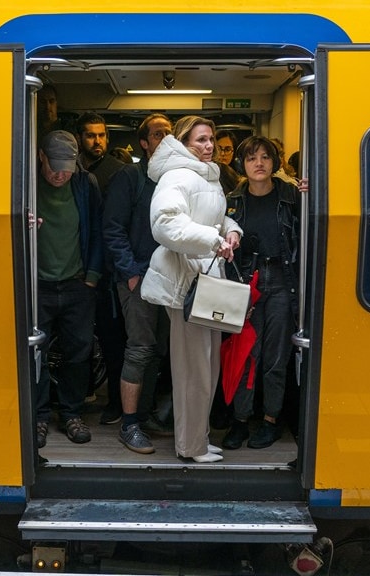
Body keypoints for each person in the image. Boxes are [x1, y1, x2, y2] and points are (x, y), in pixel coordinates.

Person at [142, 115, 242, 463]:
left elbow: (212, 217)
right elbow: (165, 224)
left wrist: (231, 230)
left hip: (204, 281)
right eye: (200, 140)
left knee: (206, 364)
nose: (209, 146)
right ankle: (190, 446)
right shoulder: (177, 176)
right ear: (183, 143)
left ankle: (197, 438)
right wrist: (213, 240)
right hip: (187, 283)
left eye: (211, 139)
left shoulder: (203, 175)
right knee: (193, 369)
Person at [221, 136, 304, 450]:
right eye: (252, 157)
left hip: (282, 281)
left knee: (275, 357)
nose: (259, 163)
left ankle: (271, 420)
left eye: (266, 157)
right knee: (244, 355)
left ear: (275, 162)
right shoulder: (232, 199)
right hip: (246, 282)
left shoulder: (291, 195)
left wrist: (311, 194)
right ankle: (239, 421)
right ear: (242, 163)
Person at [104, 113, 175, 454]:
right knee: (140, 349)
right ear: (144, 143)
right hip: (139, 278)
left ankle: (144, 416)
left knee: (158, 350)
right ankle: (129, 425)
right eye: (159, 133)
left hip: (171, 279)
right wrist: (130, 271)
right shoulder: (129, 177)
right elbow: (113, 229)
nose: (166, 137)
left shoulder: (175, 178)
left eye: (170, 133)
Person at [34, 130, 104, 449]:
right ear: (40, 157)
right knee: (36, 353)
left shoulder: (84, 183)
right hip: (37, 285)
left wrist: (91, 276)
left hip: (77, 283)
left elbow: (97, 229)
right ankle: (38, 416)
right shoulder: (25, 185)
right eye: (54, 166)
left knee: (79, 352)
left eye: (68, 167)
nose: (60, 174)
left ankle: (71, 413)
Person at [75, 112, 129, 425]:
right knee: (80, 339)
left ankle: (116, 403)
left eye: (102, 135)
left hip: (109, 271)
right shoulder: (70, 170)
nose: (98, 141)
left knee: (112, 340)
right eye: (91, 135)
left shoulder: (118, 172)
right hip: (76, 266)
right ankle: (82, 395)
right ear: (80, 138)